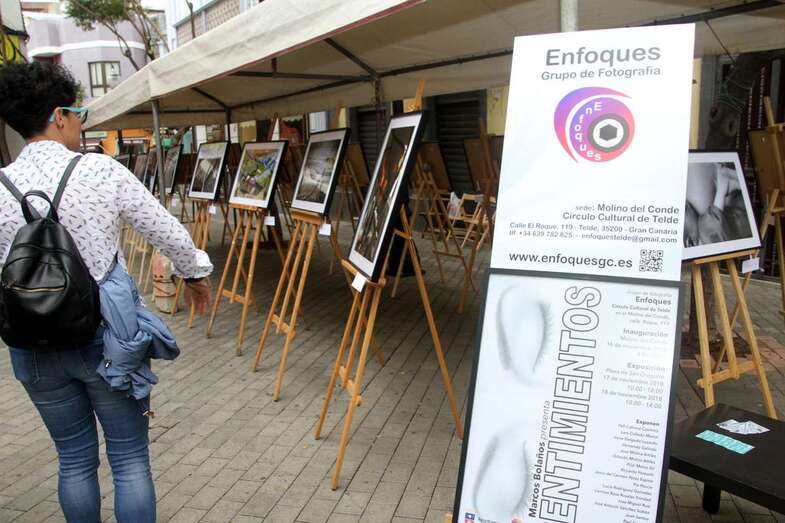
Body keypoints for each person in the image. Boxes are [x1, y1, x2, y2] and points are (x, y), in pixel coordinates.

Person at [0, 62, 212, 522]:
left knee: (74, 460)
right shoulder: (98, 171)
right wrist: (193, 274)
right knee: (130, 460)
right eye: (79, 112)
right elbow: (166, 230)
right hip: (107, 337)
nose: (82, 122)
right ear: (59, 115)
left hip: (33, 345)